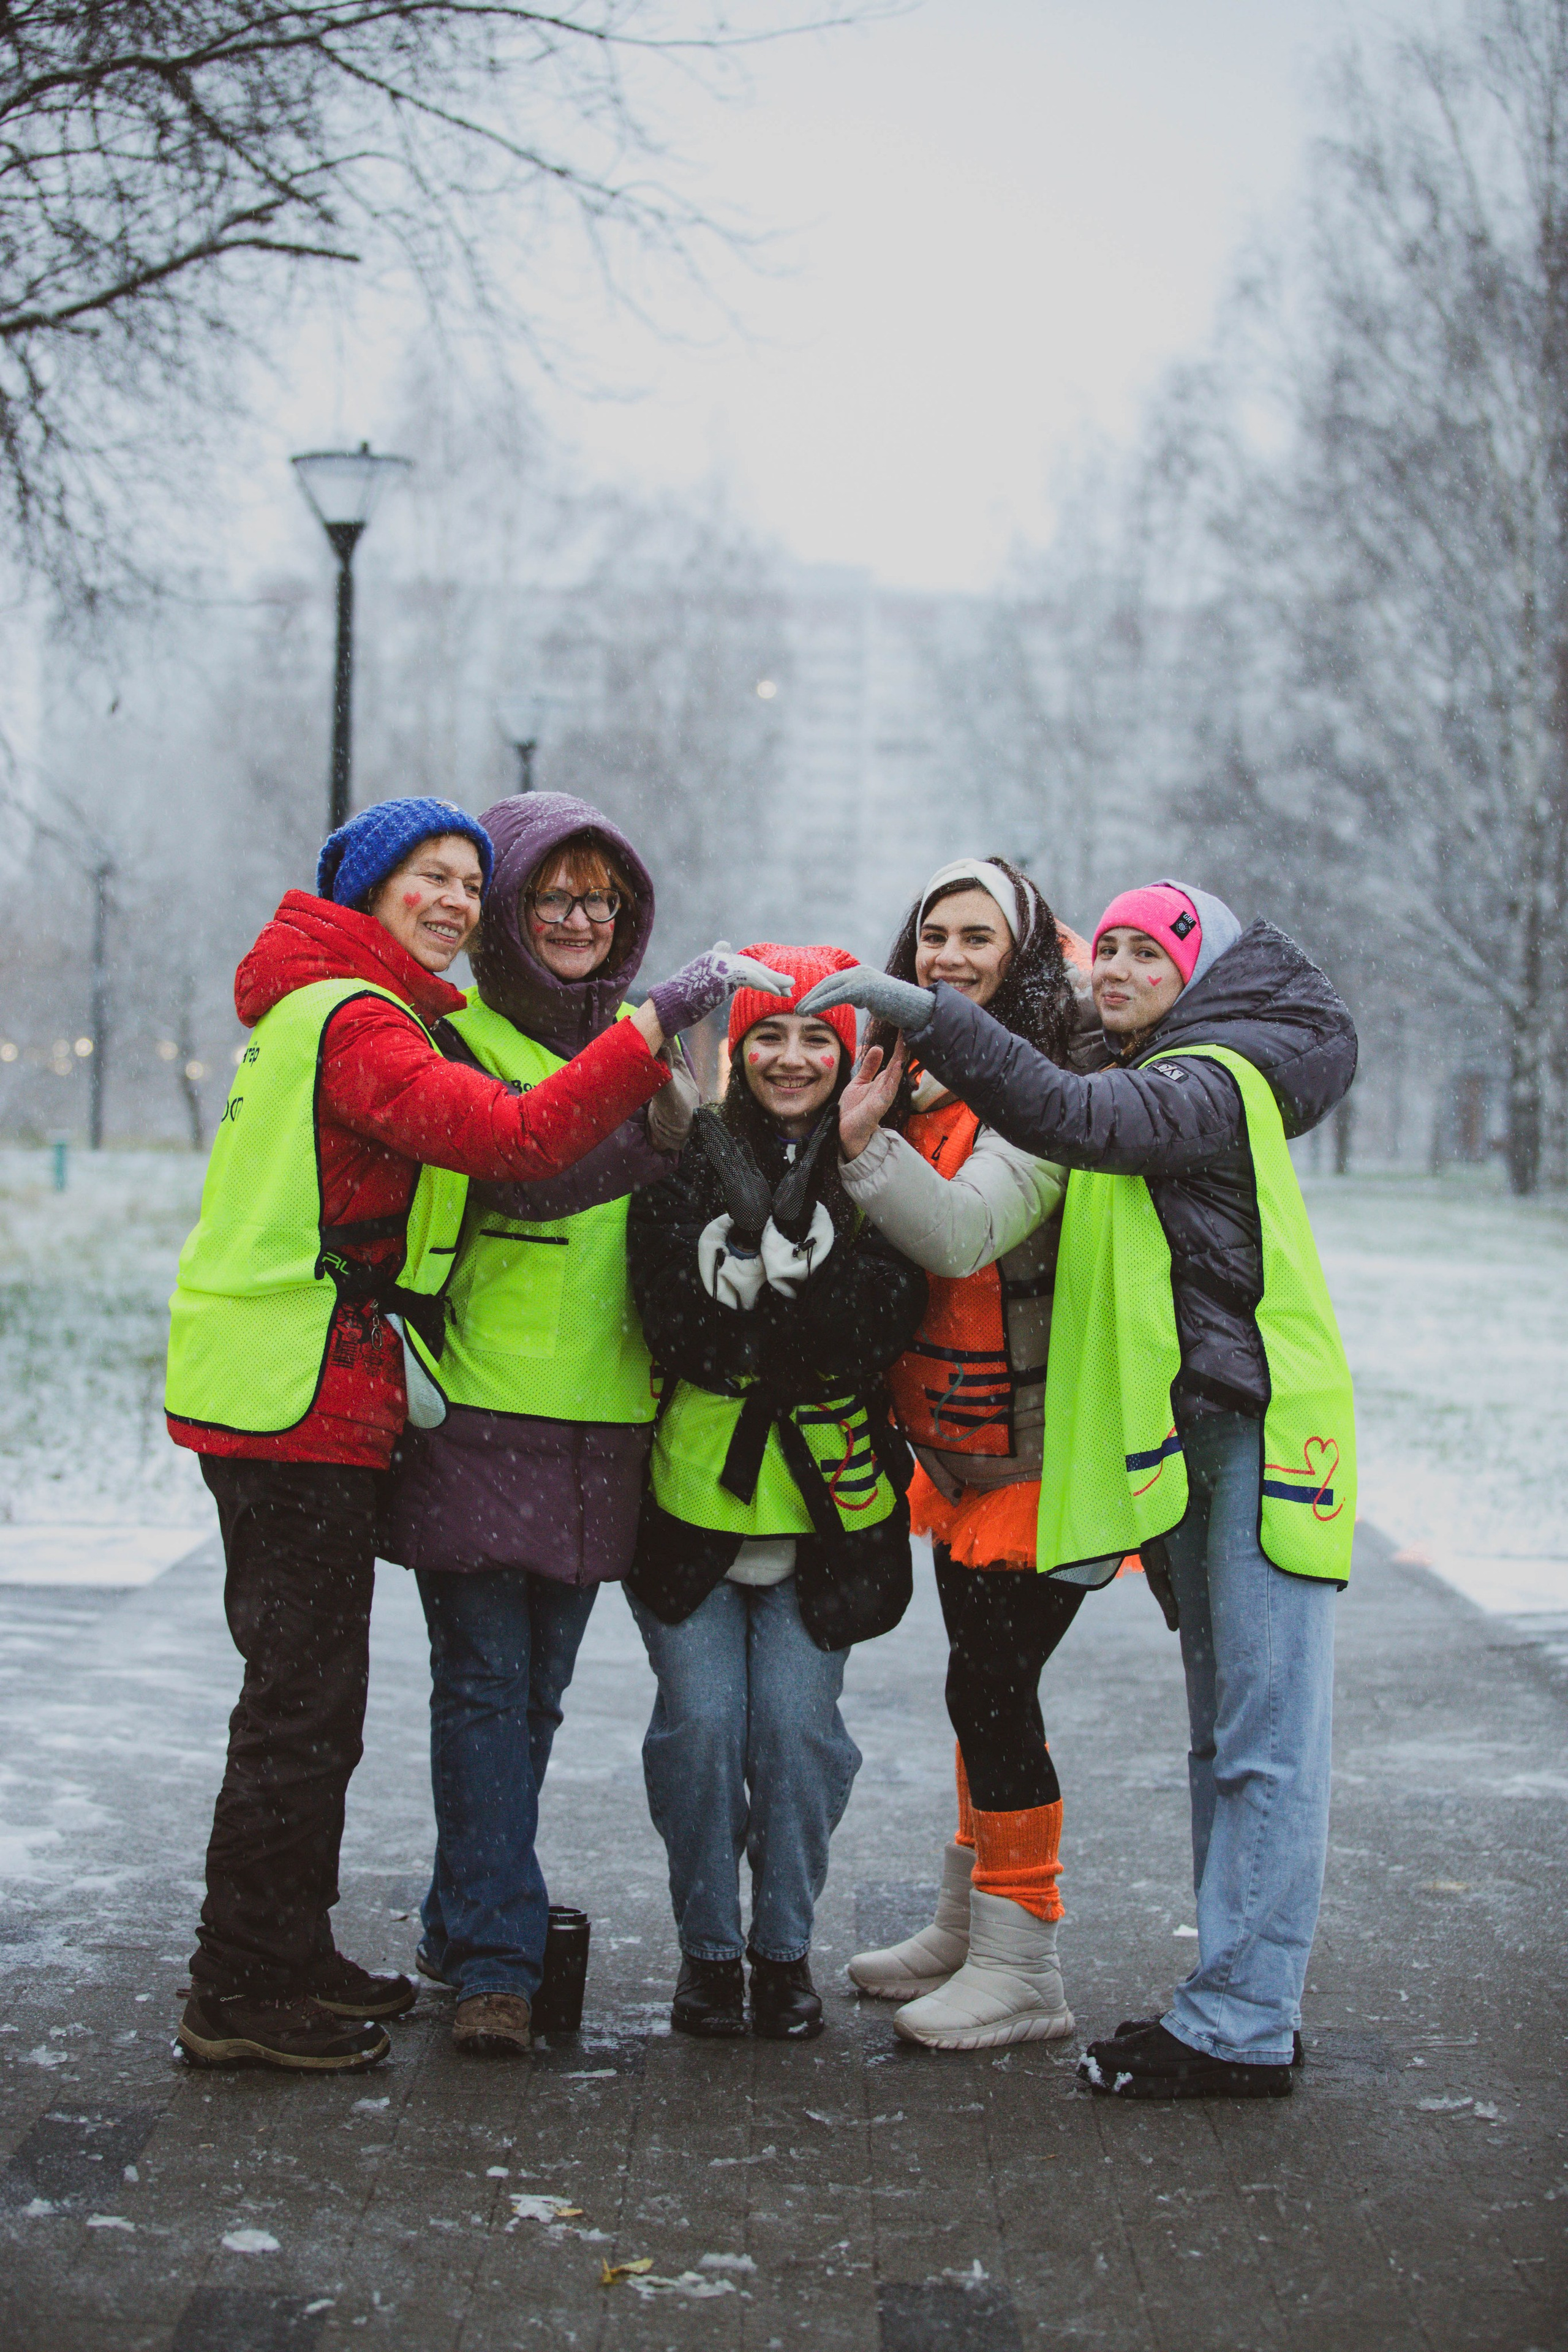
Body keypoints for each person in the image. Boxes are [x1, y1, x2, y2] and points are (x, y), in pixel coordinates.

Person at [165, 795, 787, 2073]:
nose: (452, 902)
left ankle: (295, 1955)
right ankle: (244, 1986)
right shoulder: (360, 1021)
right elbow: (513, 1143)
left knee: (338, 1706)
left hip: (335, 1391)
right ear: (363, 890)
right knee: (314, 1708)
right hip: (304, 1390)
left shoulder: (366, 1013)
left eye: (463, 879)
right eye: (429, 879)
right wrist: (656, 1028)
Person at [801, 878, 1357, 2100]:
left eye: (1144, 950)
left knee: (1261, 1743)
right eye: (1101, 947)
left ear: (1196, 968)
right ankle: (1233, 2003)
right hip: (1198, 1437)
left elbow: (1063, 1124)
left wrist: (924, 1014)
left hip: (1262, 1439)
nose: (1113, 968)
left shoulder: (1203, 1078)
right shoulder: (1154, 1069)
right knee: (1220, 1739)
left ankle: (1236, 2019)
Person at [380, 793, 700, 2059]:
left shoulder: (644, 1053)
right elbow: (532, 1165)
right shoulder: (455, 1042)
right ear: (507, 913)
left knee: (534, 1701)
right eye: (551, 898)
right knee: (481, 1691)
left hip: (601, 1422)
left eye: (598, 901)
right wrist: (653, 1117)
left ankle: (461, 1919)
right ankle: (498, 1966)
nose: (576, 921)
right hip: (475, 1407)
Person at [625, 948, 927, 2041]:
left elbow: (879, 1323)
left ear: (849, 1057)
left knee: (798, 1739)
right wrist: (785, 1323)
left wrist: (782, 1310)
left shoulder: (879, 1168)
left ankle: (782, 1946)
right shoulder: (680, 1160)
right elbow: (678, 1320)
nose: (793, 1058)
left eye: (816, 1038)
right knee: (701, 1733)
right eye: (769, 1034)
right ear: (735, 1048)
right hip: (691, 1510)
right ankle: (711, 1951)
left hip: (827, 1515)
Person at [831, 858, 1095, 2050]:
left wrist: (856, 1150)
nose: (945, 954)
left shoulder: (1054, 1090)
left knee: (993, 1690)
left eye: (975, 936)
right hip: (955, 1455)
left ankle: (1021, 1959)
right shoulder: (918, 1081)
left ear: (1023, 953)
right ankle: (966, 1928)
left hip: (1035, 1463)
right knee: (978, 1691)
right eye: (930, 933)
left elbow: (960, 1233)